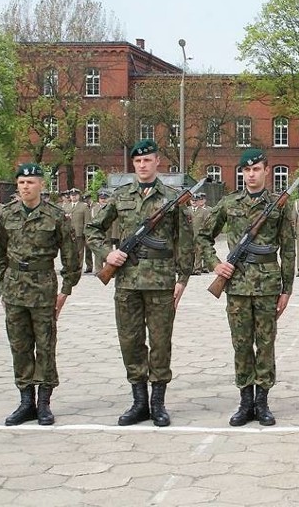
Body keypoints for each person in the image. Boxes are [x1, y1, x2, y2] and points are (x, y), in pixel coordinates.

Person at [86, 139, 193, 427]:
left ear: (158, 161)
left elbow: (185, 241)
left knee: (160, 344)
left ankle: (158, 403)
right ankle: (139, 401)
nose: (143, 165)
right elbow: (92, 229)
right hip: (127, 282)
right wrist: (108, 253)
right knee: (131, 342)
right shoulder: (120, 196)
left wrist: (182, 279)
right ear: (133, 164)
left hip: (160, 282)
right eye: (138, 161)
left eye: (148, 160)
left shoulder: (172, 197)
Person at [196, 148, 296, 426]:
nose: (251, 174)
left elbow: (288, 249)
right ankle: (245, 401)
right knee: (241, 345)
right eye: (246, 170)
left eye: (256, 169)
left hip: (267, 285)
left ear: (266, 170)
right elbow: (203, 236)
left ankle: (262, 402)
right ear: (241, 173)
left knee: (265, 344)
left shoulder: (279, 204)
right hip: (237, 285)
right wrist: (215, 264)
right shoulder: (230, 203)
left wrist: (287, 289)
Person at [0, 163, 81, 425]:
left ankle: (44, 403)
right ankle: (25, 401)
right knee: (19, 346)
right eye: (21, 182)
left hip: (43, 288)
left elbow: (71, 258)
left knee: (44, 345)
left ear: (41, 185)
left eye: (30, 182)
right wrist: (3, 285)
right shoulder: (6, 215)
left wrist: (65, 291)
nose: (25, 187)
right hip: (14, 287)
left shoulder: (55, 216)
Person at [64, 188, 93, 274]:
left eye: (75, 195)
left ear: (78, 196)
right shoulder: (66, 206)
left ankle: (79, 267)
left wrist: (86, 232)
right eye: (72, 195)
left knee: (79, 251)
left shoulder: (83, 206)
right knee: (70, 251)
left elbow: (87, 221)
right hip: (69, 232)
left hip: (79, 232)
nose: (73, 197)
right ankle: (71, 266)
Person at [190, 192, 211, 274]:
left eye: (196, 200)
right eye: (193, 200)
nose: (194, 202)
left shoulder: (204, 211)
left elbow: (207, 223)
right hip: (190, 235)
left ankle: (197, 269)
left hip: (199, 234)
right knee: (190, 252)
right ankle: (191, 268)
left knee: (199, 252)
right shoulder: (187, 210)